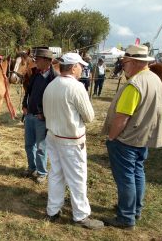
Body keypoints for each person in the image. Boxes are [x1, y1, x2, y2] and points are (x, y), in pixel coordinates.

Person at [102, 45, 162, 230]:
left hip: (126, 139)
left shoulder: (134, 85)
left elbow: (122, 118)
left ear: (135, 62)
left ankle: (126, 217)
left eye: (125, 61)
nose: (123, 65)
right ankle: (134, 209)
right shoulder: (154, 78)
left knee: (126, 177)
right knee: (137, 172)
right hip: (143, 136)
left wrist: (112, 137)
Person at [43, 52, 104, 229]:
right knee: (77, 177)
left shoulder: (51, 85)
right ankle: (81, 215)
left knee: (56, 174)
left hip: (53, 135)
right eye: (80, 66)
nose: (82, 69)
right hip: (70, 139)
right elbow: (89, 116)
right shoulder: (76, 87)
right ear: (73, 67)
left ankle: (53, 210)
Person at [21, 48, 58, 183]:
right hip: (30, 115)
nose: (35, 62)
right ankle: (32, 168)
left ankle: (42, 172)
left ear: (48, 61)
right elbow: (28, 92)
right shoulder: (36, 75)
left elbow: (56, 100)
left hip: (41, 119)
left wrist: (45, 115)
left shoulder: (54, 78)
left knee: (41, 147)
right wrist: (24, 105)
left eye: (38, 60)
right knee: (29, 145)